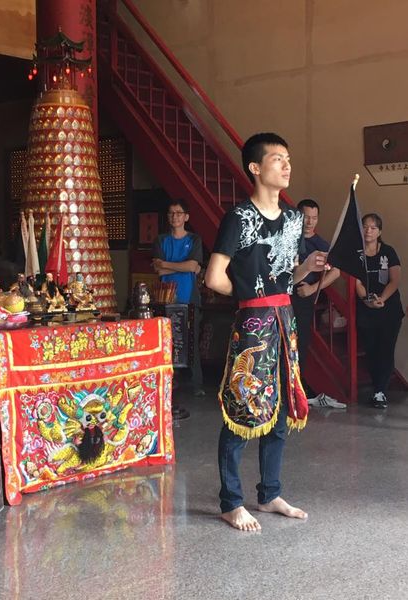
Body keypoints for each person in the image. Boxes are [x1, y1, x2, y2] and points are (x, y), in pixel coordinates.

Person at [205, 132, 328, 532]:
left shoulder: (293, 220)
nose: (286, 165)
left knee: (281, 410)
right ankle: (230, 502)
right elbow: (214, 277)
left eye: (288, 158)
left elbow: (285, 275)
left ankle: (269, 493)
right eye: (278, 158)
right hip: (254, 325)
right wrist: (250, 296)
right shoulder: (238, 218)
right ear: (255, 168)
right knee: (244, 409)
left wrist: (307, 268)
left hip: (285, 320)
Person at [291, 199, 344, 408]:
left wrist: (312, 289)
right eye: (306, 217)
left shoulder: (320, 245)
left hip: (302, 298)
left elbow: (336, 272)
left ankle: (297, 391)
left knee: (300, 344)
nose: (310, 222)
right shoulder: (288, 237)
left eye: (314, 218)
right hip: (280, 296)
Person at [152, 199, 204, 401]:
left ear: (186, 217)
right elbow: (159, 270)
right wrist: (185, 266)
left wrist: (167, 265)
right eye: (171, 213)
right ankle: (169, 383)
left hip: (189, 297)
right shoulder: (161, 240)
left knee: (191, 341)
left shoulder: (194, 239)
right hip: (165, 297)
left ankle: (197, 384)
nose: (175, 216)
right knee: (167, 342)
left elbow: (193, 266)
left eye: (179, 213)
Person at [356, 213, 404, 409]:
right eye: (365, 226)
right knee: (371, 349)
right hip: (366, 309)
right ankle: (377, 387)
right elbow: (356, 282)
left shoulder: (388, 251)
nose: (368, 231)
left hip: (389, 309)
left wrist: (382, 299)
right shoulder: (356, 254)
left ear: (379, 231)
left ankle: (380, 391)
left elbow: (395, 279)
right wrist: (367, 300)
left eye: (373, 227)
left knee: (386, 349)